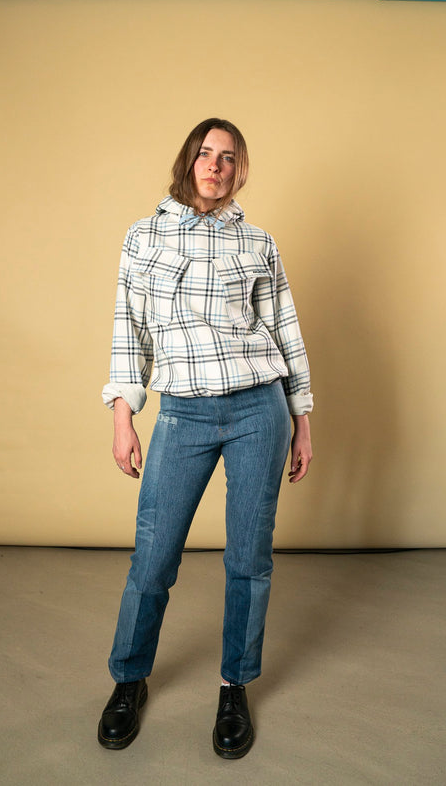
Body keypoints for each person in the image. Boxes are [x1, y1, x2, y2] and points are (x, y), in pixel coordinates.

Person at [98, 118, 313, 760]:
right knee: (153, 558)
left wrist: (303, 418)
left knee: (248, 561)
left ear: (239, 169)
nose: (214, 165)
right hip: (184, 414)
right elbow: (127, 328)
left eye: (227, 157)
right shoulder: (144, 237)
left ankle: (234, 687)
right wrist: (122, 414)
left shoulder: (259, 242)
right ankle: (128, 681)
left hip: (259, 409)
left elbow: (286, 329)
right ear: (188, 160)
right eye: (204, 153)